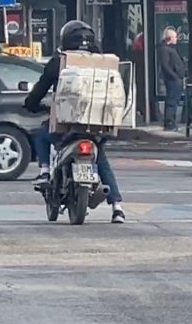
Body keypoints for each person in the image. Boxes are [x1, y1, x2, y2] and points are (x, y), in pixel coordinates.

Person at [25, 19, 126, 223]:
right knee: (102, 160)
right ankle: (117, 207)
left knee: (41, 134)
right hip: (99, 125)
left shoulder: (59, 62)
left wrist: (32, 103)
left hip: (65, 126)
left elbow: (39, 90)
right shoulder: (104, 62)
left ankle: (45, 172)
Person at [158, 27, 187, 127]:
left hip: (176, 79)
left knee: (175, 101)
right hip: (172, 80)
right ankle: (169, 122)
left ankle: (172, 121)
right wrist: (175, 76)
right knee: (171, 101)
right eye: (174, 37)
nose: (176, 39)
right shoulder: (165, 50)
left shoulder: (172, 49)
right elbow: (165, 65)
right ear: (169, 38)